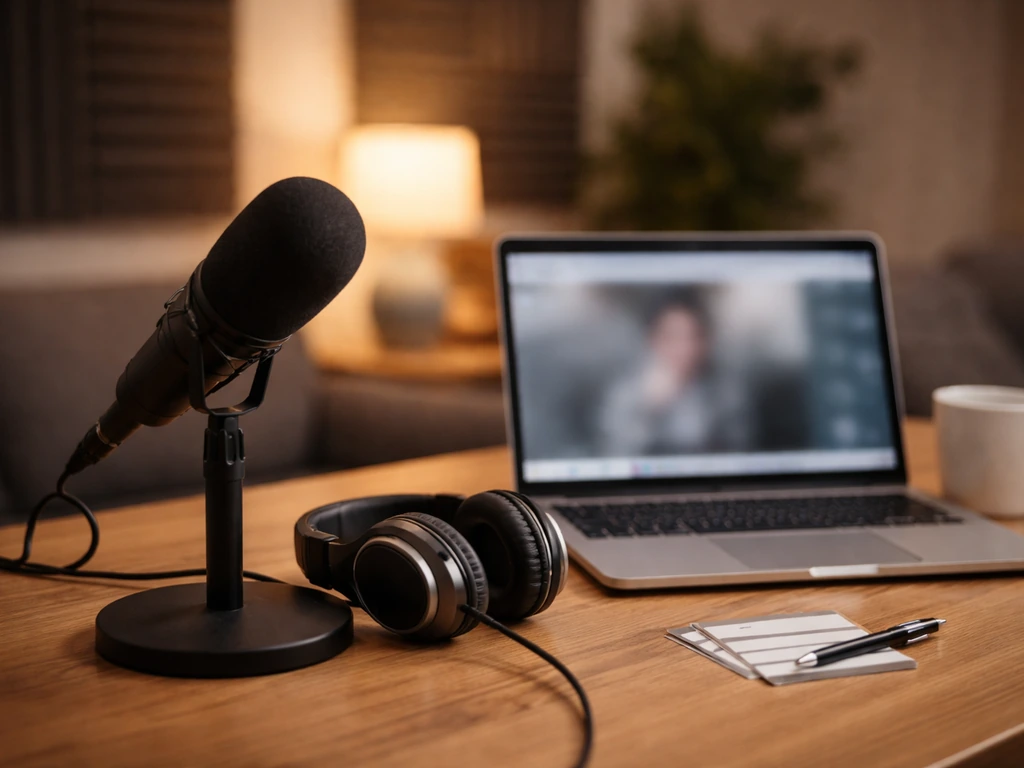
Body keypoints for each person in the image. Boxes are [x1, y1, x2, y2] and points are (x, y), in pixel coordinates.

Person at [598, 293, 743, 457]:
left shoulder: (725, 392)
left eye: (694, 336)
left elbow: (738, 452)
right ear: (654, 340)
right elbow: (615, 455)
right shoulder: (626, 394)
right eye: (673, 337)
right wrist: (650, 410)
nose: (686, 348)